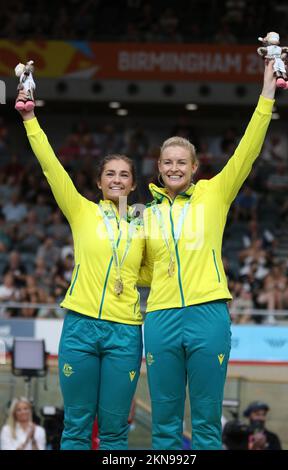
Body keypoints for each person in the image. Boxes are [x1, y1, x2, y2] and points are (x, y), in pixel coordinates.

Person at [142, 61, 276, 450]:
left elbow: (248, 149)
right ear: (159, 168)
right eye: (167, 162)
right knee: (164, 422)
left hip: (207, 313)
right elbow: (144, 272)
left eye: (181, 162)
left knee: (205, 420)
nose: (174, 168)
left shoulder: (215, 193)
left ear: (195, 168)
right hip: (161, 317)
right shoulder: (146, 215)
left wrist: (267, 93)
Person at [16, 89, 148, 450]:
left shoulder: (145, 225)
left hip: (125, 331)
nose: (117, 179)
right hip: (80, 326)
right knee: (75, 426)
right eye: (110, 174)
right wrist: (30, 120)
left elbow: (156, 270)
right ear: (99, 181)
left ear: (134, 184)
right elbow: (50, 167)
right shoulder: (82, 211)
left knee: (115, 431)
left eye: (124, 174)